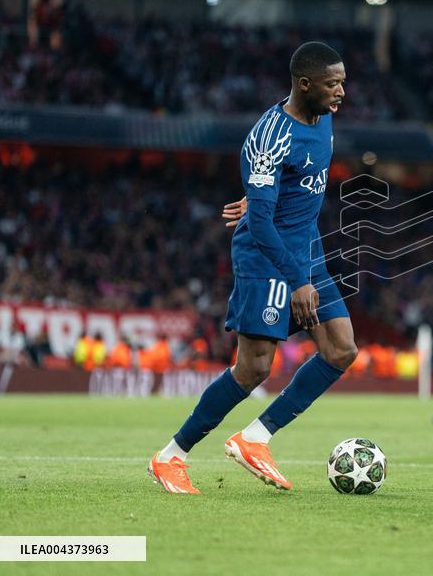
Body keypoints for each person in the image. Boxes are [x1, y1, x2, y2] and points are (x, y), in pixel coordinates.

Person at [148, 41, 357, 495]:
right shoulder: (269, 135)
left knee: (341, 349)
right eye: (332, 83)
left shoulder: (325, 118)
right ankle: (170, 456)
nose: (341, 92)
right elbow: (261, 223)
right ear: (304, 84)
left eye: (342, 82)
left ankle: (255, 438)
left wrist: (267, 197)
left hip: (307, 247)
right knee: (254, 368)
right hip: (266, 254)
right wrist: (296, 278)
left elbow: (291, 187)